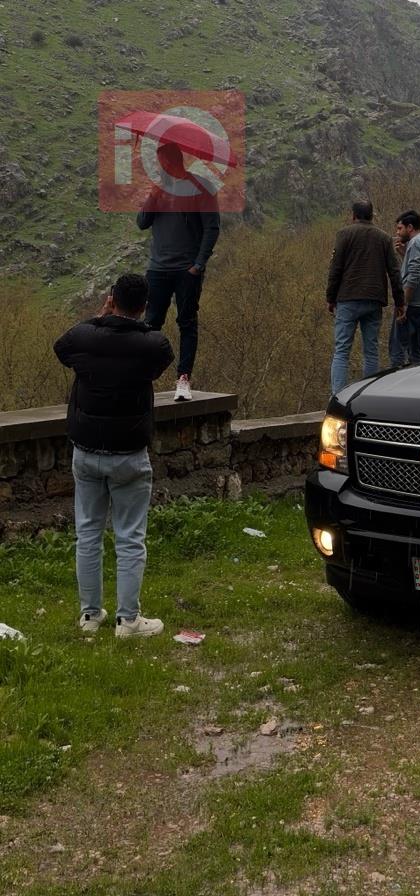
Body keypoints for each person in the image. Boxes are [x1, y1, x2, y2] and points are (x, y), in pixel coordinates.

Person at [54, 274, 175, 638]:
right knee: (130, 537)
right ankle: (128, 620)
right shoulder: (151, 344)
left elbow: (62, 347)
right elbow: (160, 356)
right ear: (144, 307)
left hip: (86, 451)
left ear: (111, 299)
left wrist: (98, 317)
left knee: (87, 534)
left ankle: (90, 617)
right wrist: (133, 321)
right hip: (129, 456)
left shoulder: (85, 337)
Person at [136, 142, 220, 402]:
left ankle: (183, 378)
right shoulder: (159, 190)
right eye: (160, 164)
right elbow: (142, 222)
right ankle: (144, 378)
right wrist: (153, 194)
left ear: (176, 161)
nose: (162, 168)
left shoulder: (201, 187)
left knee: (186, 322)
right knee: (150, 324)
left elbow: (212, 227)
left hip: (187, 269)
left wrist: (199, 263)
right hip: (158, 268)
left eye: (165, 163)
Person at [326, 200, 405, 394]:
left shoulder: (344, 234)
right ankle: (368, 394)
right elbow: (394, 272)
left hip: (348, 297)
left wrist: (330, 297)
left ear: (353, 215)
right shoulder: (384, 238)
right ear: (372, 216)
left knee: (342, 351)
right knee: (371, 350)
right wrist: (400, 301)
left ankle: (338, 396)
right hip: (374, 299)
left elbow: (336, 268)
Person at [389, 210, 420, 365]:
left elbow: (414, 275)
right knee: (416, 352)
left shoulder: (415, 243)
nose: (397, 232)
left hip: (411, 306)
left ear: (410, 227)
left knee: (397, 351)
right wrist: (405, 254)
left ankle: (393, 386)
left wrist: (403, 304)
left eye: (399, 228)